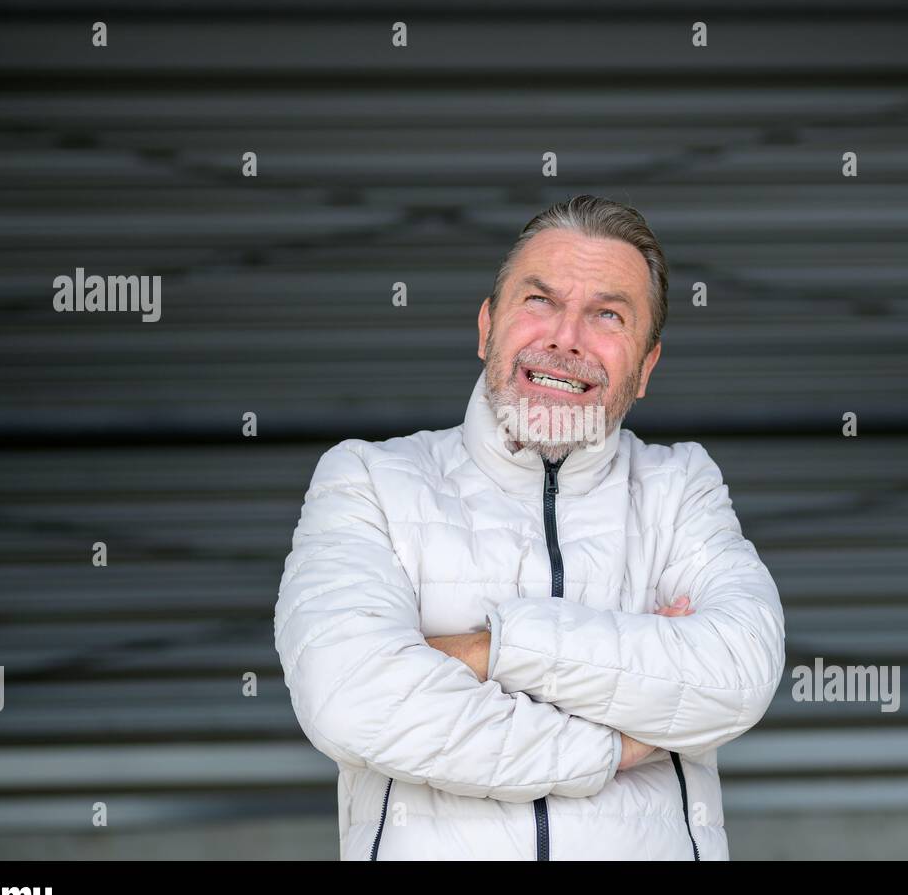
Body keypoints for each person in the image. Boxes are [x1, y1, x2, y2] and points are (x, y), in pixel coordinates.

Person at [273, 194, 786, 860]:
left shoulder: (679, 487)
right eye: (539, 301)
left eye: (607, 314)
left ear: (645, 369)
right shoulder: (368, 479)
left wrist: (487, 652)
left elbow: (735, 676)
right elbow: (350, 697)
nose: (565, 336)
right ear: (488, 327)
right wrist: (613, 746)